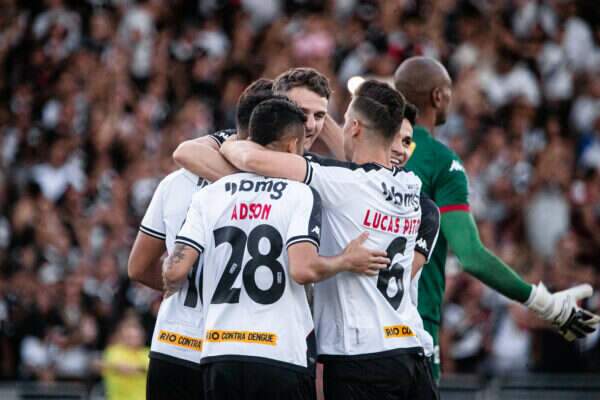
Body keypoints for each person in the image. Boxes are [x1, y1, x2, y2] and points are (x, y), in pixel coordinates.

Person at [219, 80, 439, 399]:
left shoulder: (340, 183)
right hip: (409, 351)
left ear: (354, 127)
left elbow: (253, 161)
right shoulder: (411, 187)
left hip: (359, 359)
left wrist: (228, 143)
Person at [161, 98, 389, 400]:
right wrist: (345, 261)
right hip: (280, 354)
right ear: (294, 146)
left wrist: (171, 278)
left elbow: (175, 269)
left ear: (251, 140)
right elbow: (303, 269)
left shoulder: (211, 193)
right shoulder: (301, 194)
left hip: (219, 354)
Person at [393, 56, 600, 381]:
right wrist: (544, 303)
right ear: (438, 96)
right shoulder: (439, 160)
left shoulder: (367, 152)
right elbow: (471, 256)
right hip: (414, 328)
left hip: (357, 336)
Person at [127, 79, 275, 400]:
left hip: (173, 342)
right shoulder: (276, 194)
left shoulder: (174, 182)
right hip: (238, 346)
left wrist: (182, 288)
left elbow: (138, 267)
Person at [100, 313, 149, 400]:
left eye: (137, 336)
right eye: (130, 336)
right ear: (122, 336)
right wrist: (141, 369)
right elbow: (123, 368)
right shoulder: (113, 351)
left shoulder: (148, 353)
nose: (134, 339)